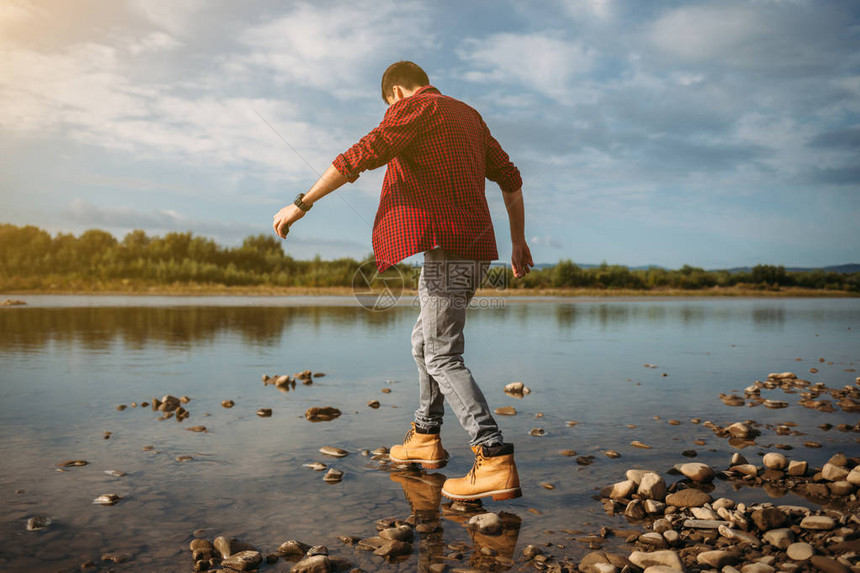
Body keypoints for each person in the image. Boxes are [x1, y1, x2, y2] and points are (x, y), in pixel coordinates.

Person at [272, 60, 533, 501]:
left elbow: (361, 154)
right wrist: (519, 242)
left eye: (388, 104)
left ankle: (493, 457)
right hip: (474, 247)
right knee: (424, 344)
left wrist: (303, 203)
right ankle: (425, 437)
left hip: (447, 245)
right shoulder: (469, 116)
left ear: (395, 91)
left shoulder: (416, 108)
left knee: (442, 355)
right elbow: (511, 179)